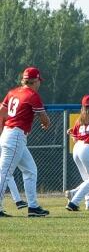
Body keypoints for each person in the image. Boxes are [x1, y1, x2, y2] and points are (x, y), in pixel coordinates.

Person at [0, 67, 50, 217]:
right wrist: (46, 123)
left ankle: (33, 207)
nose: (39, 84)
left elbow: (2, 113)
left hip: (11, 134)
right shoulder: (32, 94)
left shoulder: (13, 92)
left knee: (30, 169)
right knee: (4, 172)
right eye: (38, 81)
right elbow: (43, 117)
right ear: (35, 81)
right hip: (15, 135)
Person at [67, 95, 89, 210]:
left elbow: (75, 138)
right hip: (88, 147)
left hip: (77, 148)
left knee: (88, 180)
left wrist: (71, 133)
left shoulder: (79, 120)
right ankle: (74, 193)